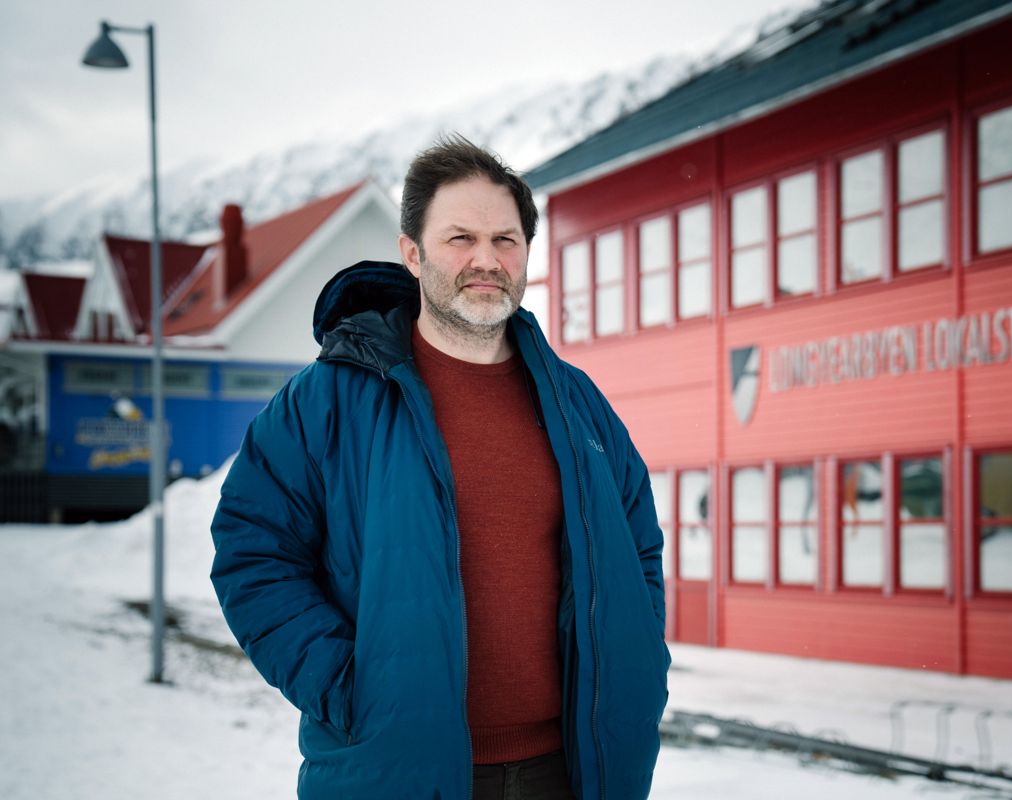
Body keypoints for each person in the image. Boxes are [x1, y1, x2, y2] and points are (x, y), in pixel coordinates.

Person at [210, 135, 669, 800]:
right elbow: (254, 552)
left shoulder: (579, 406)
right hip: (396, 771)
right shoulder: (329, 399)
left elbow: (640, 552)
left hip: (572, 774)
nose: (486, 260)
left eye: (505, 240)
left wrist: (636, 666)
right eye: (460, 238)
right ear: (412, 253)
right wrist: (350, 686)